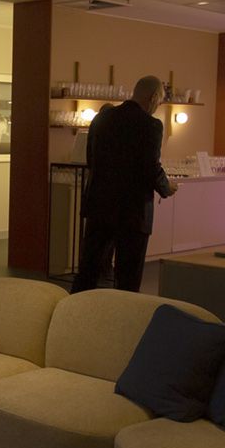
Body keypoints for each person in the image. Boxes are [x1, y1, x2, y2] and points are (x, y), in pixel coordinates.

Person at [71, 75, 177, 293]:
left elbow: (91, 160)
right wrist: (167, 187)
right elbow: (150, 167)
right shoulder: (151, 125)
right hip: (133, 212)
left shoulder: (102, 118)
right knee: (128, 277)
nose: (158, 104)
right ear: (154, 97)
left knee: (88, 271)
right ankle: (124, 312)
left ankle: (73, 309)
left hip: (99, 205)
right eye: (160, 100)